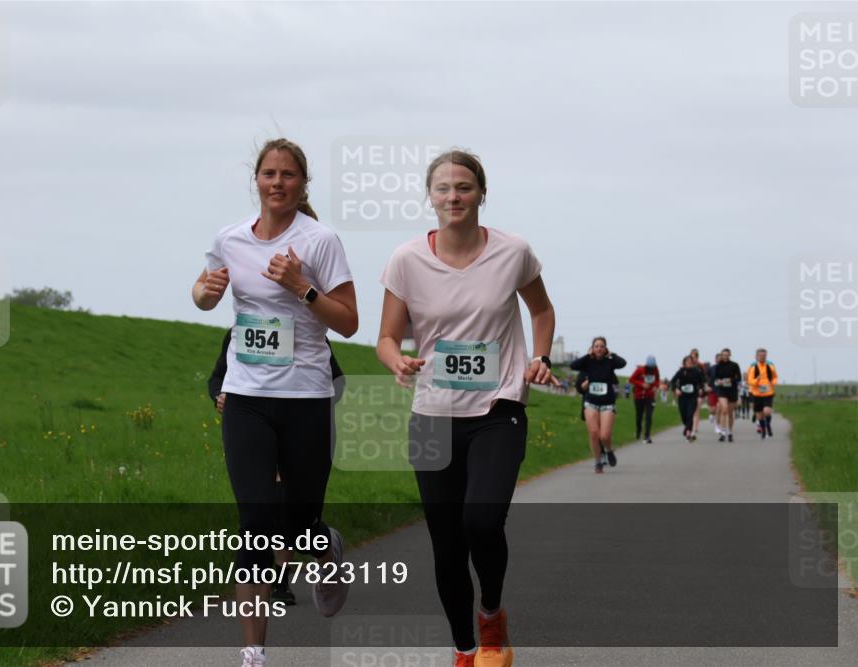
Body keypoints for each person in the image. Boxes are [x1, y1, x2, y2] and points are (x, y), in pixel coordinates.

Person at [377, 149, 555, 667]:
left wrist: (539, 356)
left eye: (464, 187)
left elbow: (541, 309)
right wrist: (398, 361)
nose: (453, 197)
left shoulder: (513, 252)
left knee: (481, 521)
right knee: (447, 543)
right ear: (429, 197)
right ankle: (464, 649)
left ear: (482, 193)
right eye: (442, 189)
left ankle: (492, 615)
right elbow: (387, 336)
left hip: (498, 408)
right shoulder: (407, 259)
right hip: (433, 411)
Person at [193, 138, 359, 667]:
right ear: (256, 180)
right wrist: (207, 293)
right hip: (245, 397)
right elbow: (201, 291)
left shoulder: (321, 241)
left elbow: (350, 323)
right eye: (269, 173)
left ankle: (324, 545)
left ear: (303, 184)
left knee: (298, 522)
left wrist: (301, 288)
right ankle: (253, 654)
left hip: (306, 397)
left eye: (289, 175)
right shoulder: (230, 239)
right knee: (256, 521)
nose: (278, 183)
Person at [207, 329, 346, 605]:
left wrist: (306, 410)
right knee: (261, 513)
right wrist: (220, 396)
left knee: (295, 520)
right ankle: (279, 583)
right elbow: (217, 378)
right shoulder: (239, 332)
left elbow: (337, 382)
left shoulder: (310, 333)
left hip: (300, 429)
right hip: (256, 428)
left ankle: (324, 548)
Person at [570, 337, 627, 473]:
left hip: (607, 403)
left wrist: (611, 355)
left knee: (604, 436)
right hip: (591, 402)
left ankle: (608, 450)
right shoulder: (588, 362)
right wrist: (587, 356)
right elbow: (573, 365)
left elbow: (623, 363)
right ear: (592, 348)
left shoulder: (610, 362)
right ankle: (597, 461)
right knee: (594, 433)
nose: (599, 348)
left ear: (605, 348)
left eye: (602, 346)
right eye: (596, 346)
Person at [670, 355, 706, 441]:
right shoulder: (681, 371)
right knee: (684, 416)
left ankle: (688, 431)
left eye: (690, 361)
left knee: (690, 414)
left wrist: (701, 388)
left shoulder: (696, 371)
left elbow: (702, 381)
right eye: (687, 361)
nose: (689, 362)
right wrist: (676, 389)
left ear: (693, 363)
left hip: (693, 397)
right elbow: (673, 381)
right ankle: (687, 427)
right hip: (682, 397)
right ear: (684, 363)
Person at [629, 355, 662, 443]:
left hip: (650, 396)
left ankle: (647, 436)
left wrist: (656, 386)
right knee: (639, 416)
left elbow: (658, 380)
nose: (651, 368)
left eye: (653, 366)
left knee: (649, 416)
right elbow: (631, 379)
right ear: (647, 365)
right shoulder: (640, 370)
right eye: (650, 367)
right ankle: (638, 430)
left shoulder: (656, 370)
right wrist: (641, 384)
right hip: (639, 396)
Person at [747, 348, 779, 439]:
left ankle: (768, 425)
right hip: (756, 394)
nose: (762, 357)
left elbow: (775, 377)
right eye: (760, 356)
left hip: (768, 393)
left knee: (767, 411)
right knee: (759, 415)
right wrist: (757, 379)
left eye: (764, 356)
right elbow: (750, 381)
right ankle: (764, 430)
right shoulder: (753, 367)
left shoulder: (770, 366)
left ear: (766, 356)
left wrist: (773, 382)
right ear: (757, 356)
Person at [711, 348, 742, 442]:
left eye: (727, 355)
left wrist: (730, 380)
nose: (725, 356)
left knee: (730, 413)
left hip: (732, 390)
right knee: (724, 409)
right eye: (723, 355)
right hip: (722, 390)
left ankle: (730, 432)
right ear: (721, 355)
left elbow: (738, 378)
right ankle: (723, 432)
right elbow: (715, 378)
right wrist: (718, 381)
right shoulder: (718, 366)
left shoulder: (735, 365)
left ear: (730, 355)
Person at [689, 348, 708, 436]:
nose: (693, 358)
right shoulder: (687, 365)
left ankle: (695, 427)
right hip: (689, 390)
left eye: (694, 356)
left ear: (697, 357)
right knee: (691, 410)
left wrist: (703, 387)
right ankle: (691, 425)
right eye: (691, 356)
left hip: (699, 390)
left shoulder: (701, 365)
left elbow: (704, 378)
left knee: (696, 409)